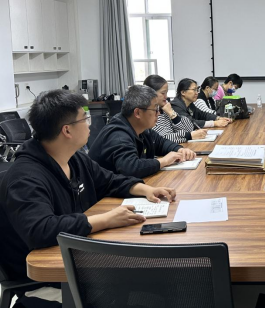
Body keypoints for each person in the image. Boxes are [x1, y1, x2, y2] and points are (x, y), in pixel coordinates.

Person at [0, 90, 176, 284]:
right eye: (85, 119)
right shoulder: (25, 177)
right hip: (48, 278)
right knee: (150, 280)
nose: (90, 125)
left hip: (81, 256)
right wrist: (106, 220)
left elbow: (108, 180)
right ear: (67, 131)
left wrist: (145, 190)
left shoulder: (74, 158)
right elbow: (41, 230)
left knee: (154, 277)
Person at [89, 85, 196, 178]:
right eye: (155, 109)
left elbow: (161, 143)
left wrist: (179, 149)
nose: (158, 113)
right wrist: (164, 161)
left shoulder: (141, 128)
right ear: (138, 113)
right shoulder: (118, 135)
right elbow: (131, 168)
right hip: (105, 194)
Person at [144, 75, 207, 143]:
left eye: (166, 93)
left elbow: (189, 128)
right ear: (150, 94)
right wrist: (189, 136)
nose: (166, 96)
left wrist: (173, 115)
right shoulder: (148, 113)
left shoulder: (165, 108)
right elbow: (162, 139)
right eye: (163, 93)